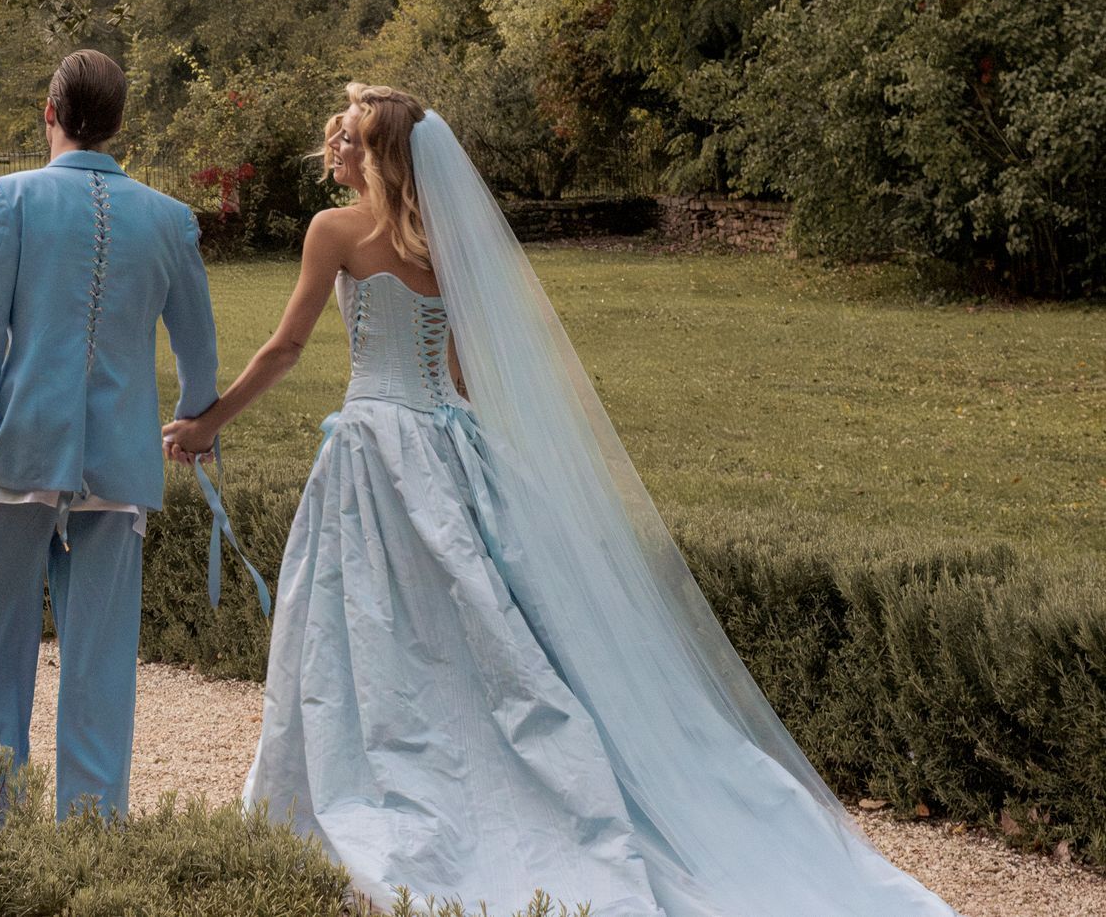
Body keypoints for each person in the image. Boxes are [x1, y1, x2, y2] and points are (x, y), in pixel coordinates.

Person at [162, 83, 959, 917]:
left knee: (366, 622)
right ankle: (483, 778)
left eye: (350, 138)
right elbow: (463, 372)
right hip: (446, 441)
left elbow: (287, 346)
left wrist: (208, 421)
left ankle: (384, 784)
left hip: (372, 449)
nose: (335, 147)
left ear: (380, 156)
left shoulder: (336, 232)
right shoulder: (444, 242)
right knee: (483, 628)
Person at [0, 48, 221, 818]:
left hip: (14, 455)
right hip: (120, 469)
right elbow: (199, 349)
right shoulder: (169, 218)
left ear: (48, 113)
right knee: (99, 667)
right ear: (121, 124)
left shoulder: (10, 199)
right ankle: (91, 836)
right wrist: (193, 424)